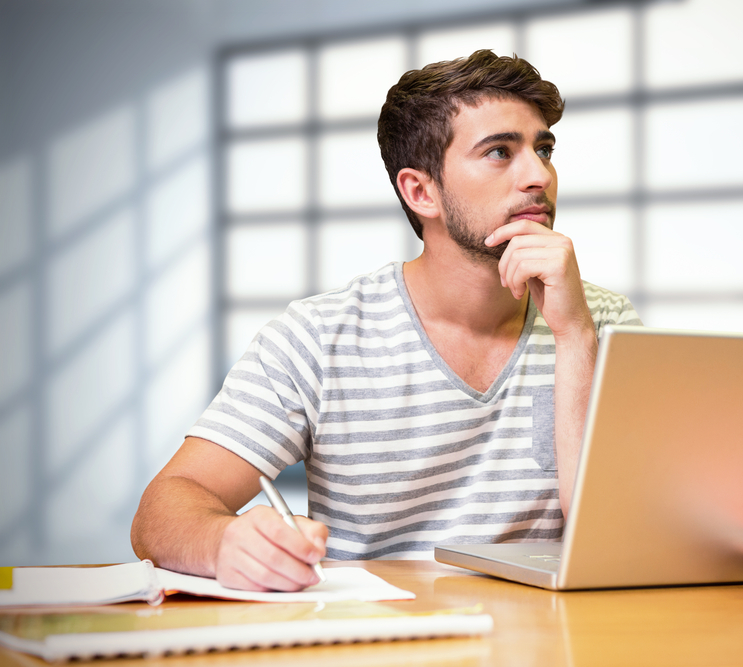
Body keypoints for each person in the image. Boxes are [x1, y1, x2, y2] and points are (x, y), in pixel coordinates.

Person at [131, 49, 641, 592]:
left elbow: (618, 535)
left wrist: (574, 336)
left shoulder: (601, 321)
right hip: (380, 639)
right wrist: (223, 543)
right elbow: (163, 509)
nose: (539, 175)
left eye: (544, 149)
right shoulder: (319, 336)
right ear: (421, 192)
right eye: (499, 152)